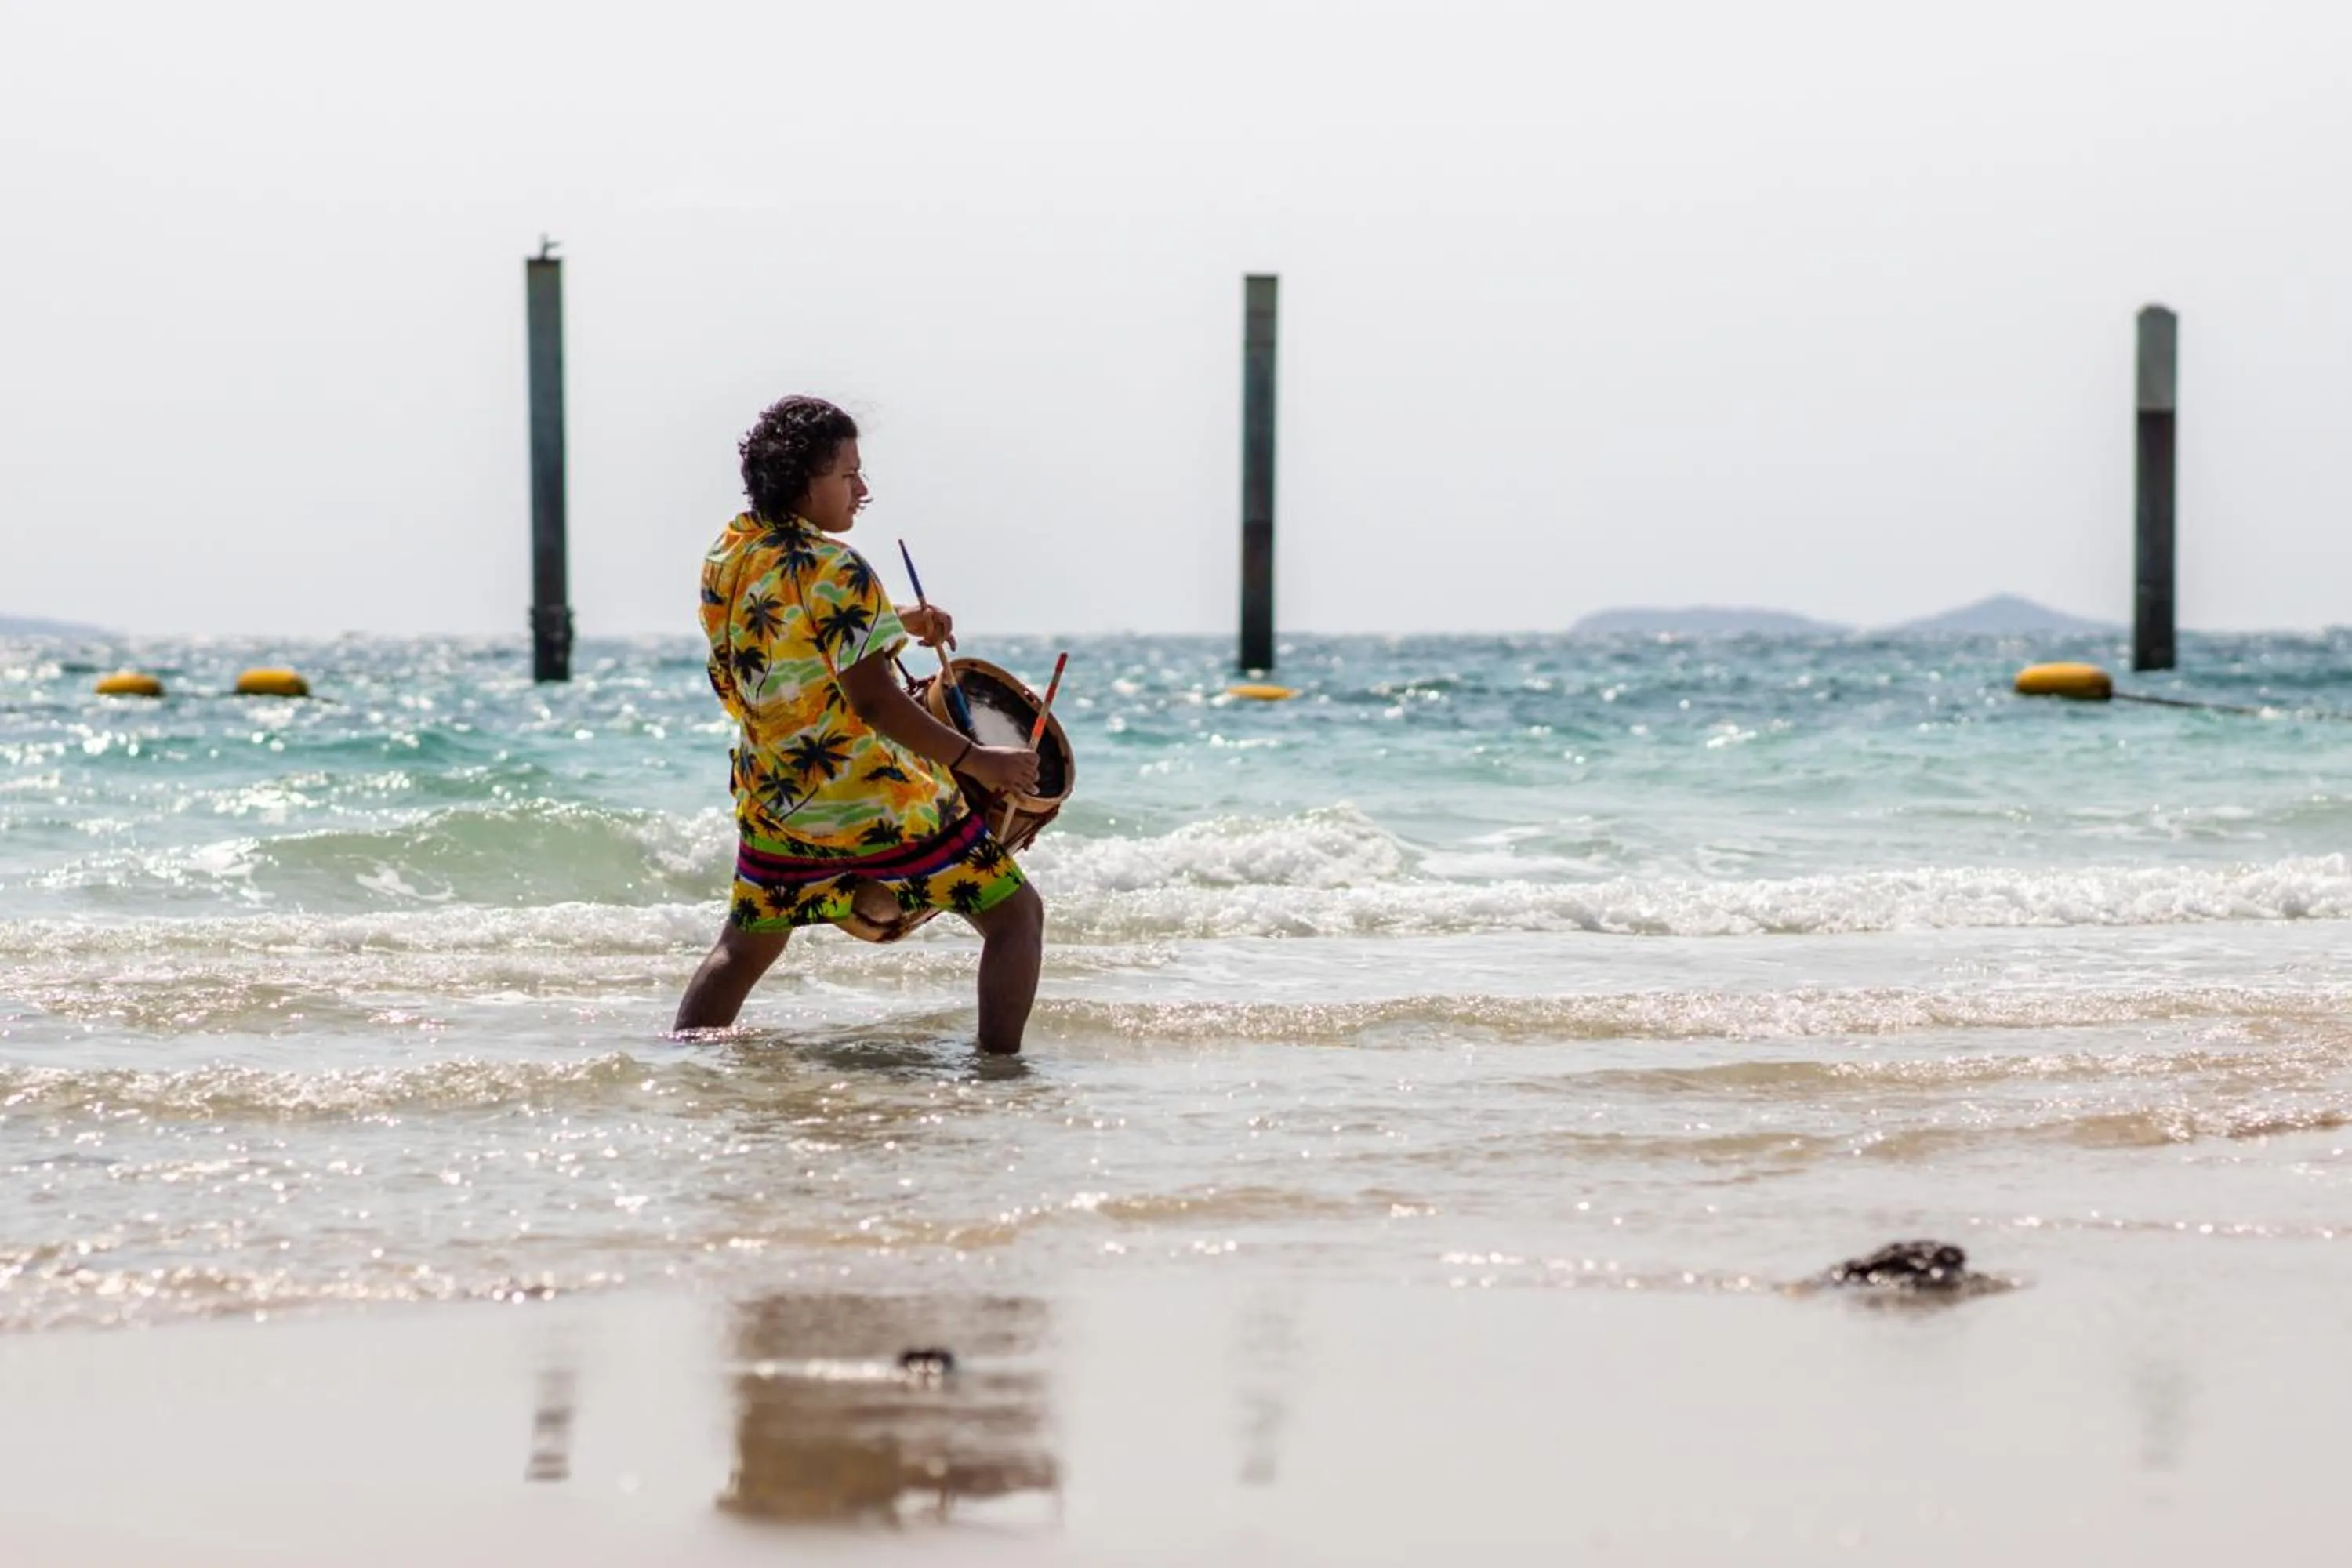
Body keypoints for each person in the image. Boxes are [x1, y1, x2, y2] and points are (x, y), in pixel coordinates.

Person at [673, 396, 1044, 1051]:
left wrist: (896, 620)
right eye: (848, 474)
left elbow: (793, 635)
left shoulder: (730, 552)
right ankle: (999, 1071)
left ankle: (686, 1065)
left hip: (778, 795)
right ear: (802, 479)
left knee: (742, 950)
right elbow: (874, 702)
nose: (862, 490)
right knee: (1016, 917)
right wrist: (977, 761)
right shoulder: (838, 566)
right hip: (870, 801)